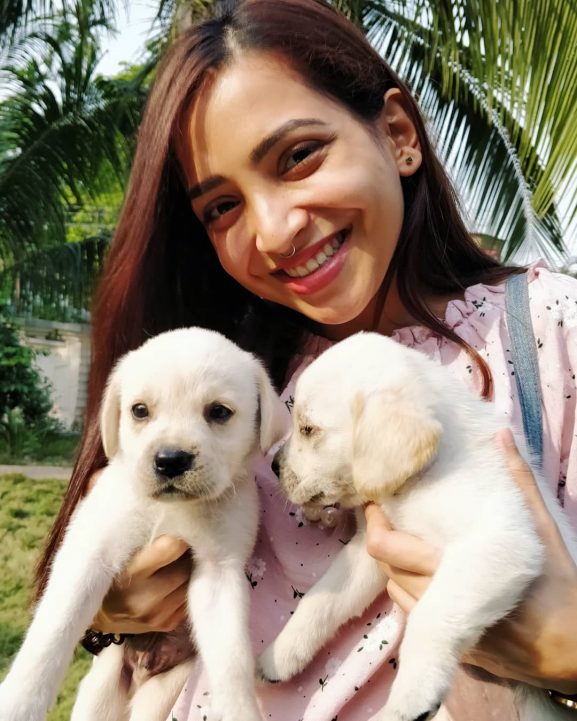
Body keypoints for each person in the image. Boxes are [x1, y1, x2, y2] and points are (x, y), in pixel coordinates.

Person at [35, 0, 577, 719]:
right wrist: (115, 613)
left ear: (397, 133)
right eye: (221, 207)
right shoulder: (225, 374)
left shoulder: (548, 330)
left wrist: (570, 650)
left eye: (297, 156)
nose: (273, 230)